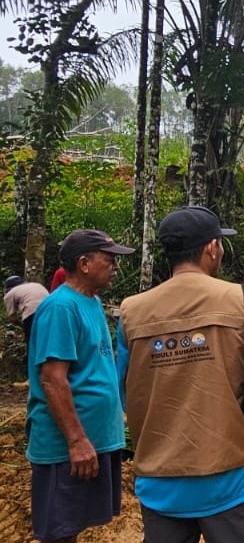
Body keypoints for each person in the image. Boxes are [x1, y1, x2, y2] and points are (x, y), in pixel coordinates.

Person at [117, 206, 244, 543]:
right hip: (229, 479)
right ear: (211, 248)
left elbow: (124, 392)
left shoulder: (131, 311)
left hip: (160, 481)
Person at [26, 229, 135, 543]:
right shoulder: (61, 307)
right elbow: (52, 378)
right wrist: (76, 441)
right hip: (68, 448)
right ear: (84, 263)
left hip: (93, 441)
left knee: (73, 526)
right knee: (60, 530)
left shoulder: (91, 301)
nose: (115, 266)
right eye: (109, 259)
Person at [3, 275, 49, 384]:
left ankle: (32, 379)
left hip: (32, 314)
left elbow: (12, 317)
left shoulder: (10, 294)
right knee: (47, 344)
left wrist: (21, 324)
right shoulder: (36, 285)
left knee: (32, 345)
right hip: (51, 312)